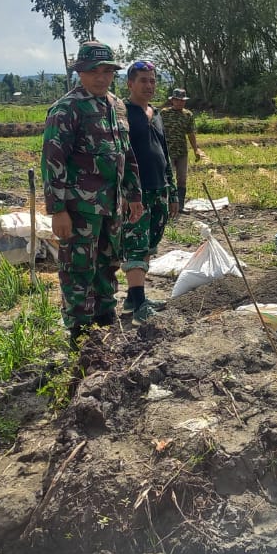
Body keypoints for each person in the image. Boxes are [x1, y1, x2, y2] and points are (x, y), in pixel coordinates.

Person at [42, 41, 143, 344]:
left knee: (108, 263)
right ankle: (80, 331)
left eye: (107, 72)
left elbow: (126, 153)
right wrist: (58, 210)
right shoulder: (67, 109)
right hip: (79, 209)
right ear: (80, 73)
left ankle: (105, 318)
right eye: (94, 72)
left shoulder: (117, 106)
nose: (101, 78)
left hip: (112, 205)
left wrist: (134, 195)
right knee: (78, 269)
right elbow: (53, 161)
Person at [121, 60, 179, 322]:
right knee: (136, 244)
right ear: (130, 84)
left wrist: (172, 192)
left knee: (149, 243)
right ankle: (140, 308)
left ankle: (132, 299)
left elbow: (164, 153)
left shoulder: (156, 114)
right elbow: (120, 155)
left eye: (153, 81)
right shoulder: (123, 113)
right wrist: (126, 192)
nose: (149, 85)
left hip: (159, 189)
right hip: (136, 192)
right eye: (143, 80)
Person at [160, 88, 205, 212]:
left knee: (182, 179)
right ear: (173, 100)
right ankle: (167, 205)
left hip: (182, 152)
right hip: (167, 152)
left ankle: (180, 206)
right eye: (178, 100)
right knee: (167, 179)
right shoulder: (164, 113)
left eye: (183, 100)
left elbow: (191, 133)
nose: (180, 102)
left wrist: (196, 149)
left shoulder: (188, 115)